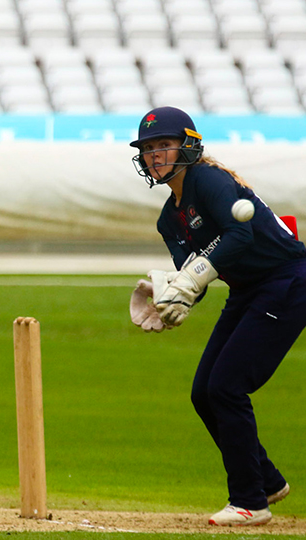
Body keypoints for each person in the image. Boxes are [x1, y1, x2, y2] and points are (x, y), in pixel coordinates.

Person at [129, 106, 306, 526]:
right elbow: (198, 277)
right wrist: (170, 298)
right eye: (149, 149)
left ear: (188, 145)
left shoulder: (208, 179)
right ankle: (264, 480)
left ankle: (249, 502)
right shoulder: (167, 219)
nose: (156, 156)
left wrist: (191, 279)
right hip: (247, 290)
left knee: (226, 387)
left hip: (287, 281)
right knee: (203, 392)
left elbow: (240, 234)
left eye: (164, 146)